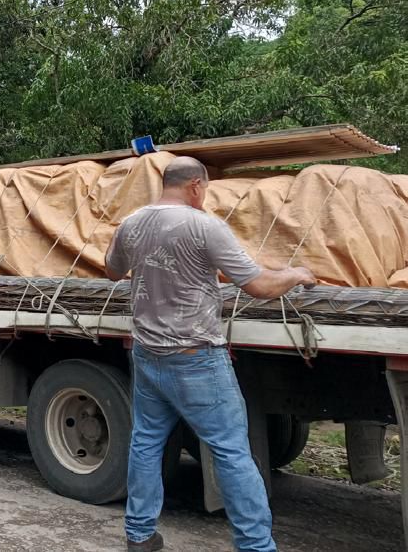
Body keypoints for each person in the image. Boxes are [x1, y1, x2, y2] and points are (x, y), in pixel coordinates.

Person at [105, 156, 317, 552]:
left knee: (146, 443)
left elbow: (113, 271)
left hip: (148, 355)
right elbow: (259, 287)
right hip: (196, 358)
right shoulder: (203, 225)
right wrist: (296, 274)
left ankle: (139, 535)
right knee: (231, 451)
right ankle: (256, 546)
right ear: (196, 186)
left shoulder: (131, 224)